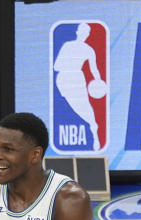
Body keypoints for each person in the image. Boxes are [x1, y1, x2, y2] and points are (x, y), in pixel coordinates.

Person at [53, 21, 103, 150]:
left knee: (85, 107)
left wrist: (99, 82)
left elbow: (94, 69)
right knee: (74, 107)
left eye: (86, 33)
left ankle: (95, 133)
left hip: (77, 79)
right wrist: (69, 63)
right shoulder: (67, 45)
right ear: (77, 32)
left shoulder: (89, 50)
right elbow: (56, 66)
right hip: (64, 79)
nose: (84, 34)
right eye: (82, 31)